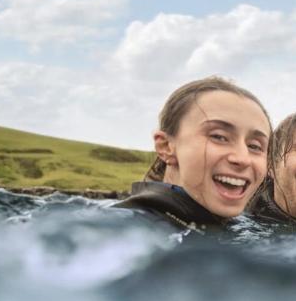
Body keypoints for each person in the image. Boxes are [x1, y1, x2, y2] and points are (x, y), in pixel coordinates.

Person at [115, 76, 271, 231]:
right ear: (166, 146)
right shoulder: (120, 230)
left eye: (255, 146)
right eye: (218, 137)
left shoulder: (238, 229)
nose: (243, 159)